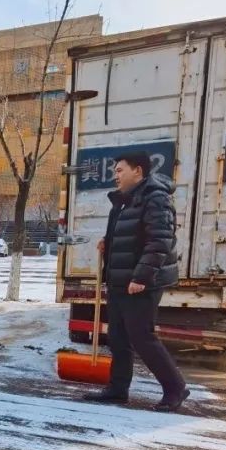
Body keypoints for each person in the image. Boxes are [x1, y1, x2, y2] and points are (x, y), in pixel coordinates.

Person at [84, 152, 189, 412]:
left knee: (142, 337)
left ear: (138, 171)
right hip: (120, 279)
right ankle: (118, 389)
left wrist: (141, 277)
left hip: (142, 282)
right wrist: (108, 243)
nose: (115, 176)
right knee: (118, 337)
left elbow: (160, 240)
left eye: (120, 170)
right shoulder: (124, 200)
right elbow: (131, 235)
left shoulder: (155, 198)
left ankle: (175, 388)